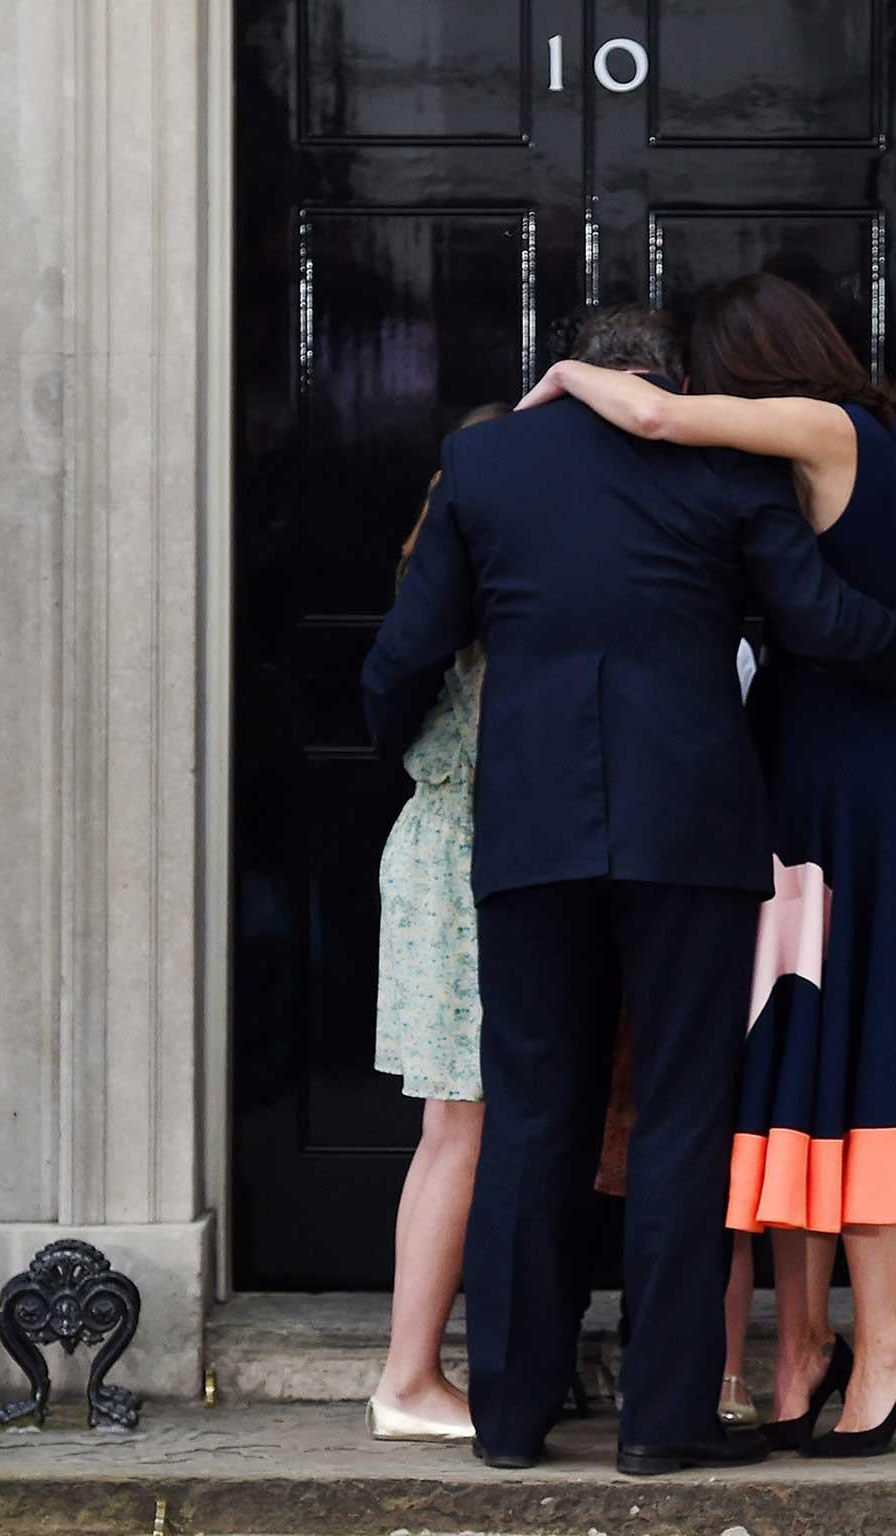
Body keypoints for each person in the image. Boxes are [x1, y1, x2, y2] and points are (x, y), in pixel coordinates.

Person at [361, 304, 896, 1476]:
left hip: (529, 830)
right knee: (679, 1122)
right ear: (662, 374)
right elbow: (813, 618)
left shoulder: (484, 460)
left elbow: (408, 650)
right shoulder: (723, 459)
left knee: (530, 1119)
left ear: (576, 370)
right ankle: (662, 1425)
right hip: (691, 833)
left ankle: (510, 1422)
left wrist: (393, 752)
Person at [514, 271, 896, 1458]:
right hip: (864, 769)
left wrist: (562, 378)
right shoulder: (895, 458)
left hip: (811, 775)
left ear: (751, 362)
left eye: (716, 369)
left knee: (838, 1053)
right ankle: (807, 1350)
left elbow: (659, 419)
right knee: (817, 1055)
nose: (705, 390)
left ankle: (879, 1347)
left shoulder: (821, 429)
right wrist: (866, 744)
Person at [365, 402, 511, 1444]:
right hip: (463, 859)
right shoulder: (482, 602)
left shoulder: (435, 582)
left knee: (455, 1127)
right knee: (461, 1125)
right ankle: (409, 1377)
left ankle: (420, 1369)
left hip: (438, 848)